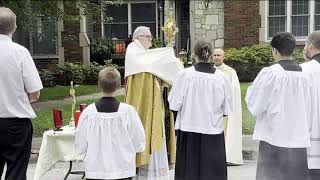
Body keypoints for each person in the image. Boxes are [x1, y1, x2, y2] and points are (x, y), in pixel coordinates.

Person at [245, 32, 312, 180]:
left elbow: (256, 106)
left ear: (274, 50)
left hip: (273, 140)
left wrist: (251, 89)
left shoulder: (271, 73)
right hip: (298, 141)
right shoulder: (305, 76)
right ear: (293, 50)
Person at [168, 39, 233, 180]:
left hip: (188, 131)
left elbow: (173, 104)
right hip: (213, 131)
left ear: (194, 55)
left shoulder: (184, 75)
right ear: (210, 55)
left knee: (188, 172)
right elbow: (227, 109)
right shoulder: (222, 78)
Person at [125, 26, 183, 180]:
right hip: (143, 102)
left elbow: (156, 71)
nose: (151, 41)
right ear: (138, 38)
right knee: (145, 129)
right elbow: (157, 63)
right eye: (148, 37)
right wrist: (168, 54)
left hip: (154, 99)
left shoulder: (143, 54)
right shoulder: (133, 51)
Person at [75, 67, 145, 180]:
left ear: (98, 84)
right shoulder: (128, 112)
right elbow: (139, 141)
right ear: (119, 85)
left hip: (96, 170)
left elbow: (80, 142)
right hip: (123, 169)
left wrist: (83, 154)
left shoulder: (89, 112)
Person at [0, 7, 43, 180]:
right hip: (16, 124)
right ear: (14, 28)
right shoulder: (20, 53)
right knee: (16, 172)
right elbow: (35, 93)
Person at [213, 48, 244, 165]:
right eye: (214, 55)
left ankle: (228, 156)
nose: (216, 57)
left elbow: (234, 92)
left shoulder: (230, 72)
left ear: (223, 57)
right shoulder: (210, 71)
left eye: (218, 55)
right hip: (213, 108)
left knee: (227, 131)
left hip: (225, 108)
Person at [301, 30, 320, 180]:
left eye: (305, 44)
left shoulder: (304, 70)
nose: (304, 48)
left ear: (311, 46)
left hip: (311, 142)